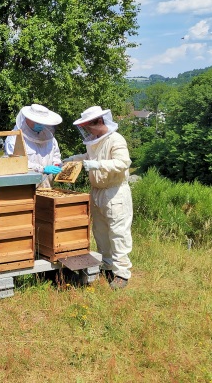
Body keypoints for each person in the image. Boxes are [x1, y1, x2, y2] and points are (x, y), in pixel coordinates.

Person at [63, 106, 133, 289]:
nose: (87, 131)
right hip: (97, 192)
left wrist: (96, 164)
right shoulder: (94, 141)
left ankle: (122, 274)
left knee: (118, 233)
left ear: (100, 122)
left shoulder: (116, 139)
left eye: (89, 127)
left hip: (115, 191)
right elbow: (87, 156)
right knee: (100, 232)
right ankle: (107, 267)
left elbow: (123, 163)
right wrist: (69, 160)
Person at [4, 104, 63, 188]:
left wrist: (56, 164)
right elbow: (16, 162)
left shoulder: (48, 136)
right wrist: (42, 169)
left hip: (47, 186)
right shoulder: (14, 138)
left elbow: (56, 155)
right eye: (37, 122)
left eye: (43, 122)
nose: (40, 124)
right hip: (25, 188)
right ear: (28, 118)